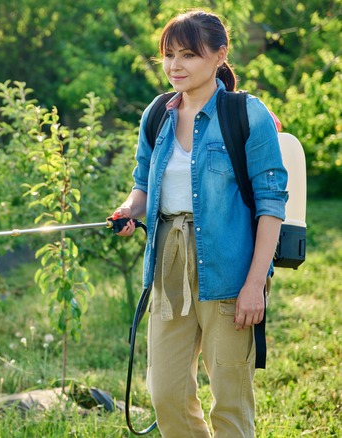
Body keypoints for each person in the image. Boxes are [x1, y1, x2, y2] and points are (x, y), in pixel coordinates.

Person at [112, 10, 288, 438]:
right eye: (169, 55)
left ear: (219, 55)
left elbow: (271, 203)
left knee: (230, 400)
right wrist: (128, 210)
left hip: (230, 268)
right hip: (168, 269)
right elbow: (142, 186)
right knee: (166, 392)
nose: (175, 65)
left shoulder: (247, 114)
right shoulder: (157, 115)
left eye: (189, 54)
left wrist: (254, 284)